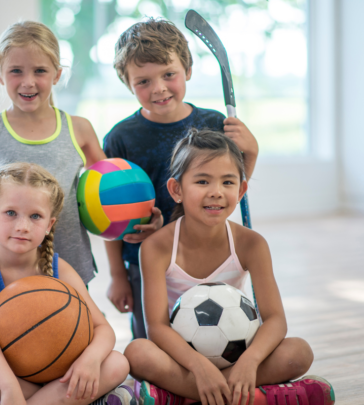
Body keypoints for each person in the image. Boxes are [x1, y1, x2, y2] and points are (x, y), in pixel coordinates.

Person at [123, 129, 335, 405]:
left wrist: (250, 361)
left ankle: (181, 398)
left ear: (241, 190)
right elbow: (157, 328)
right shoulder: (157, 246)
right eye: (202, 181)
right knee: (137, 352)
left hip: (240, 353)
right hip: (184, 360)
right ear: (176, 190)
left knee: (298, 352)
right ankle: (255, 398)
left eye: (227, 182)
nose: (216, 192)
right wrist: (200, 367)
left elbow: (275, 320)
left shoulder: (251, 244)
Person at [0, 20, 162, 285]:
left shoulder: (79, 129)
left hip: (71, 267)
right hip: (7, 272)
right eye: (16, 71)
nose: (28, 82)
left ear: (57, 74)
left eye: (40, 71)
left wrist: (140, 219)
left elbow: (111, 194)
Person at [103, 17, 259, 340]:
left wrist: (251, 154)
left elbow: (229, 191)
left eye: (168, 75)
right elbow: (107, 211)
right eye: (143, 81)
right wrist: (118, 274)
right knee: (151, 343)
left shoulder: (215, 123)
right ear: (127, 82)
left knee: (216, 337)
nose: (158, 88)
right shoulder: (120, 138)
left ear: (187, 70)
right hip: (146, 262)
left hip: (207, 256)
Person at [0, 162, 134, 405]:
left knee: (117, 363)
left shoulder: (60, 269)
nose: (22, 226)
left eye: (35, 216)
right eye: (10, 213)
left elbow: (103, 329)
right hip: (3, 372)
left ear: (49, 224)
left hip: (58, 371)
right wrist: (9, 386)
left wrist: (89, 360)